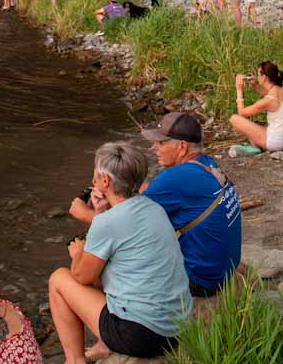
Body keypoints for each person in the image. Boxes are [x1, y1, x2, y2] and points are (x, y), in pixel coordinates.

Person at [46, 143, 192, 364]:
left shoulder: (108, 223)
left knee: (60, 278)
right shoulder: (153, 207)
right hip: (177, 326)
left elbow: (82, 276)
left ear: (104, 180)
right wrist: (101, 213)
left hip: (143, 335)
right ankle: (104, 345)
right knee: (115, 270)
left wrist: (78, 253)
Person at [67, 113, 242, 300]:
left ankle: (113, 313)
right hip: (223, 270)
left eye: (161, 143)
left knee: (104, 260)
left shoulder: (174, 178)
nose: (154, 147)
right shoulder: (205, 164)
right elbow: (153, 193)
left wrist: (87, 214)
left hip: (200, 280)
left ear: (182, 147)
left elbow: (126, 228)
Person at [230, 61, 283, 153]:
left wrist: (239, 90)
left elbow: (242, 113)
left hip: (278, 143)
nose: (257, 77)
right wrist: (255, 85)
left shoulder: (269, 100)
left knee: (234, 119)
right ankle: (257, 144)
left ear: (264, 77)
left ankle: (258, 146)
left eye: (258, 75)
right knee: (254, 128)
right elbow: (271, 96)